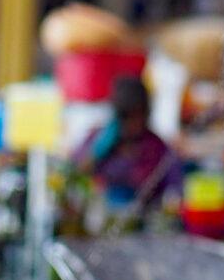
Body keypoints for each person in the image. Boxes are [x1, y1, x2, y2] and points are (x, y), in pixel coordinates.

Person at [74, 75, 182, 205]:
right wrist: (95, 153)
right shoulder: (98, 140)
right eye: (127, 117)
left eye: (138, 115)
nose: (133, 124)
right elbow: (72, 175)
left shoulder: (157, 149)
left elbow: (175, 190)